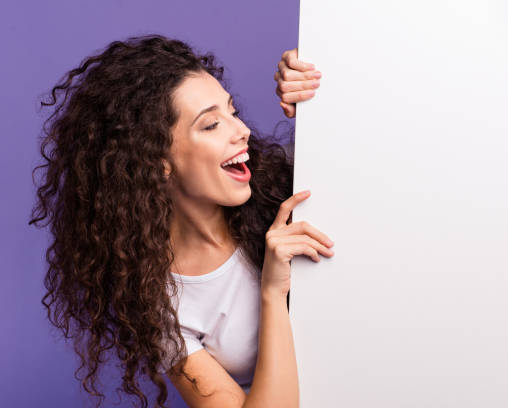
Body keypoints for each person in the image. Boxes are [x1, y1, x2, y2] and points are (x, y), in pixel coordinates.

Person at [29, 34, 333, 408]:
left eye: (232, 112)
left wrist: (322, 80)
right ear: (157, 163)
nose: (243, 131)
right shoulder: (154, 304)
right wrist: (271, 290)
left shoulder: (285, 186)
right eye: (211, 125)